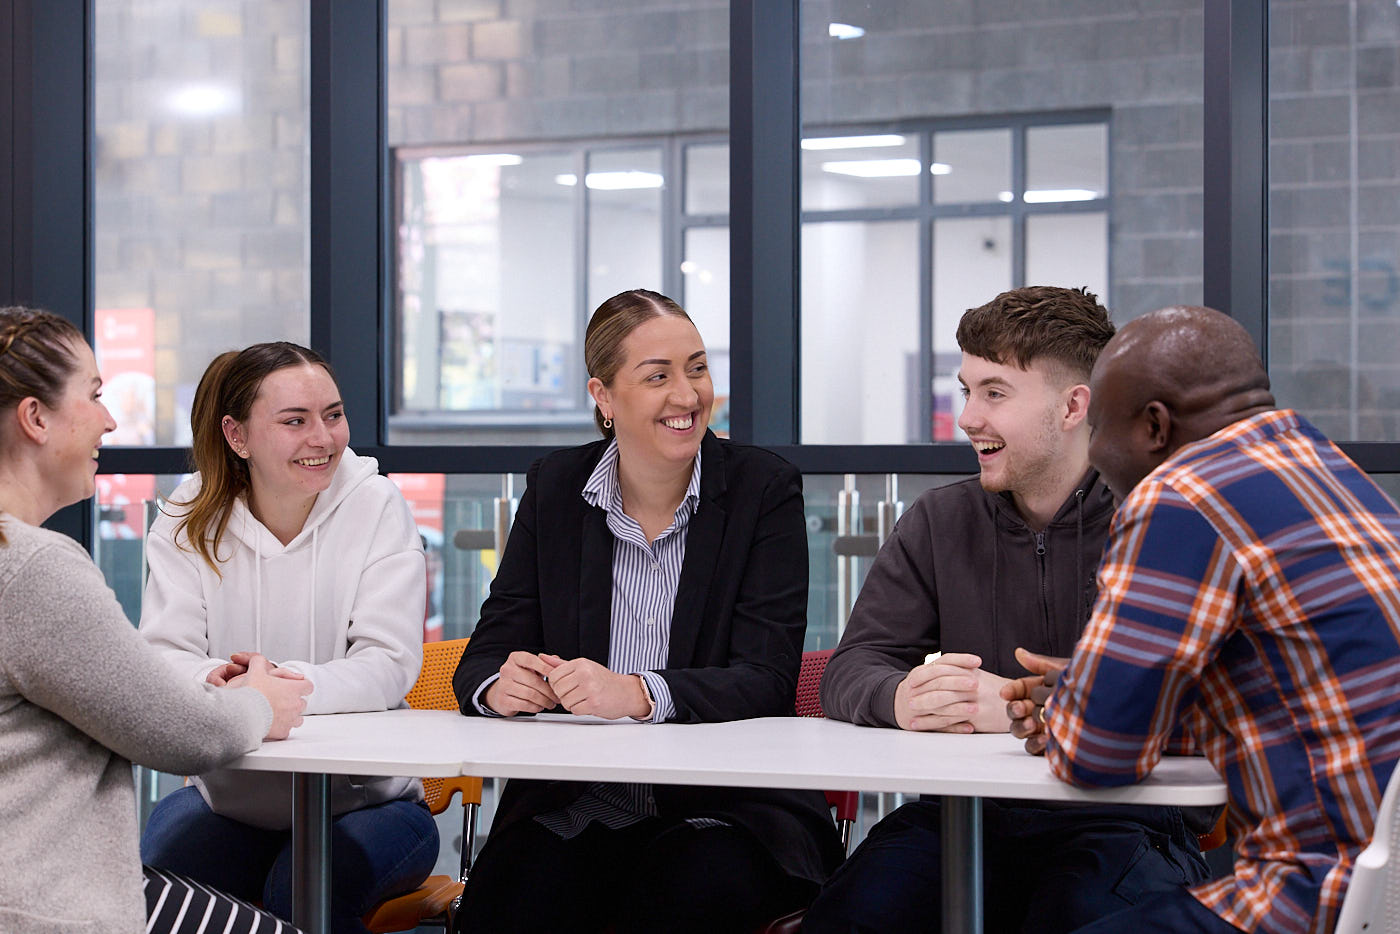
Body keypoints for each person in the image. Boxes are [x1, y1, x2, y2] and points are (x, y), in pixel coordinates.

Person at [805, 286, 1211, 933]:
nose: (967, 417)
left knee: (1078, 915)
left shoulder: (1164, 521)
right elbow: (851, 666)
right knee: (856, 914)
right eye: (965, 390)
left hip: (1121, 819)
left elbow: (1207, 691)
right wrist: (898, 696)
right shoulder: (939, 520)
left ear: (1074, 405)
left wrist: (1056, 705)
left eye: (994, 393)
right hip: (961, 817)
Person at [451, 289, 843, 933]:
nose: (687, 396)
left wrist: (635, 694)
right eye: (657, 376)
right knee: (508, 898)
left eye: (697, 368)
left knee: (683, 888)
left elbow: (767, 678)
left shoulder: (762, 489)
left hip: (731, 809)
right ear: (603, 397)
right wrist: (503, 686)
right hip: (577, 800)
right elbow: (484, 657)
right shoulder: (556, 488)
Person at [1003, 305, 1400, 934]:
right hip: (1388, 883)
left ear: (1155, 426)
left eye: (1099, 430)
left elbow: (1095, 753)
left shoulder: (1182, 495)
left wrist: (1071, 707)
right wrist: (1099, 689)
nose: (1095, 458)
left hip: (1322, 890)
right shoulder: (1329, 469)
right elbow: (1289, 699)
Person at [0, 306, 311, 933]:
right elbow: (177, 734)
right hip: (41, 904)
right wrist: (258, 703)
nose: (110, 420)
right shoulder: (31, 569)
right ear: (35, 418)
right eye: (93, 395)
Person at [137, 342, 439, 934]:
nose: (323, 438)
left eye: (333, 414)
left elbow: (390, 664)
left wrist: (278, 688)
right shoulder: (184, 515)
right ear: (238, 435)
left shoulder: (376, 505)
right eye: (295, 421)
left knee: (299, 889)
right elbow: (163, 656)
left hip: (372, 804)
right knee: (157, 880)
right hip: (232, 800)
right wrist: (220, 683)